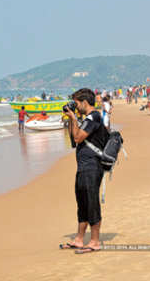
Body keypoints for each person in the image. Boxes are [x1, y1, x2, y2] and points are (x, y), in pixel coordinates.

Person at [60, 88, 107, 254]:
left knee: (91, 203)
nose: (76, 106)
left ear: (84, 102)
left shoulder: (94, 116)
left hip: (92, 166)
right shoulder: (86, 118)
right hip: (83, 166)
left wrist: (73, 117)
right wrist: (72, 118)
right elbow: (75, 139)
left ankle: (94, 241)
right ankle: (79, 239)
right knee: (82, 203)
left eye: (77, 103)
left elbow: (79, 137)